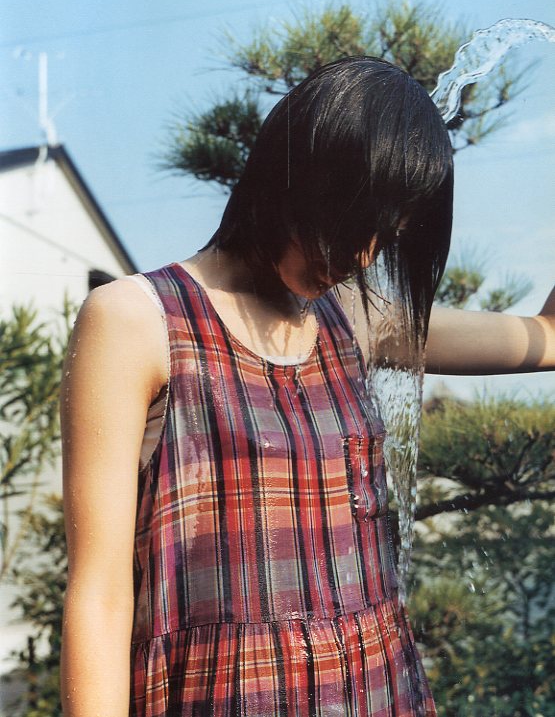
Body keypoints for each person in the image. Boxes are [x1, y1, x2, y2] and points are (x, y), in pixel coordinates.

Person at [60, 57, 554, 717]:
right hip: (221, 695)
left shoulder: (354, 319)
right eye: (356, 223)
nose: (363, 256)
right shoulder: (138, 319)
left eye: (386, 237)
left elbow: (546, 338)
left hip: (380, 690)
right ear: (299, 178)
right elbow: (99, 594)